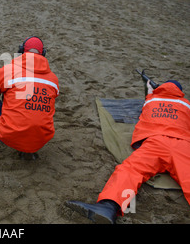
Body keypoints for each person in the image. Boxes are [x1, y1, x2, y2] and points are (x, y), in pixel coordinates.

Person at [66, 79, 190, 224]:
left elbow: (149, 95)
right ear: (180, 92)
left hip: (154, 142)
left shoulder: (151, 99)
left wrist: (150, 88)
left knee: (131, 170)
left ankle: (109, 206)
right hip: (182, 144)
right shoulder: (186, 104)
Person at [0, 36, 59, 158]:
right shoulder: (53, 79)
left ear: (21, 51)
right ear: (43, 54)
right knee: (33, 106)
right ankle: (29, 150)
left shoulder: (11, 71)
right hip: (41, 139)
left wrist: (2, 88)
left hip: (11, 134)